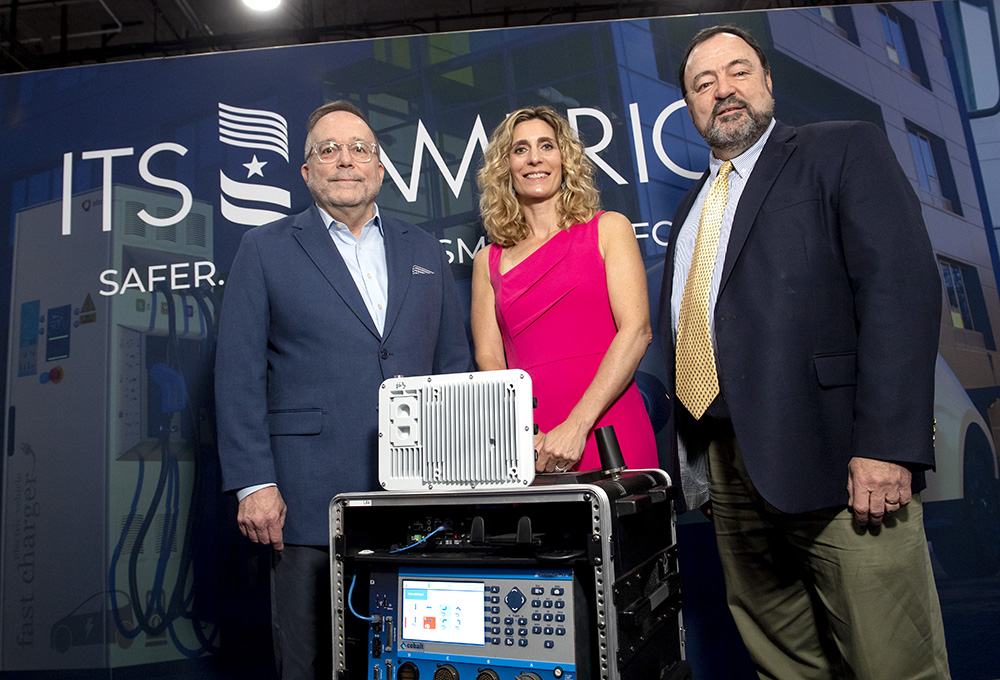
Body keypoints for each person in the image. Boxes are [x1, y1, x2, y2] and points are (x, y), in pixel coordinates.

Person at [658, 25, 950, 679]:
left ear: (767, 81)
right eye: (703, 84)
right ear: (687, 106)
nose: (722, 90)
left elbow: (899, 291)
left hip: (841, 465)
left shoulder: (841, 148)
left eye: (737, 71)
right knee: (783, 664)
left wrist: (888, 445)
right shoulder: (690, 209)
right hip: (729, 473)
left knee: (892, 664)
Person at [214, 100, 473, 680]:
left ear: (380, 169)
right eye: (327, 149)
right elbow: (238, 374)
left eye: (359, 148)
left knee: (419, 659)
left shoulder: (423, 247)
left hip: (419, 493)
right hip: (306, 497)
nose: (345, 160)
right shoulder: (264, 248)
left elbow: (453, 363)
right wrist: (255, 482)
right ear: (306, 172)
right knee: (309, 659)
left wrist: (464, 474)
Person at [472, 105, 658, 474]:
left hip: (610, 425)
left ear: (565, 159)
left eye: (546, 146)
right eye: (519, 149)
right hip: (530, 442)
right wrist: (523, 434)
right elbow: (489, 359)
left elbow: (636, 331)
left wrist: (577, 425)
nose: (534, 158)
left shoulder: (609, 229)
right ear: (505, 167)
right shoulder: (487, 261)